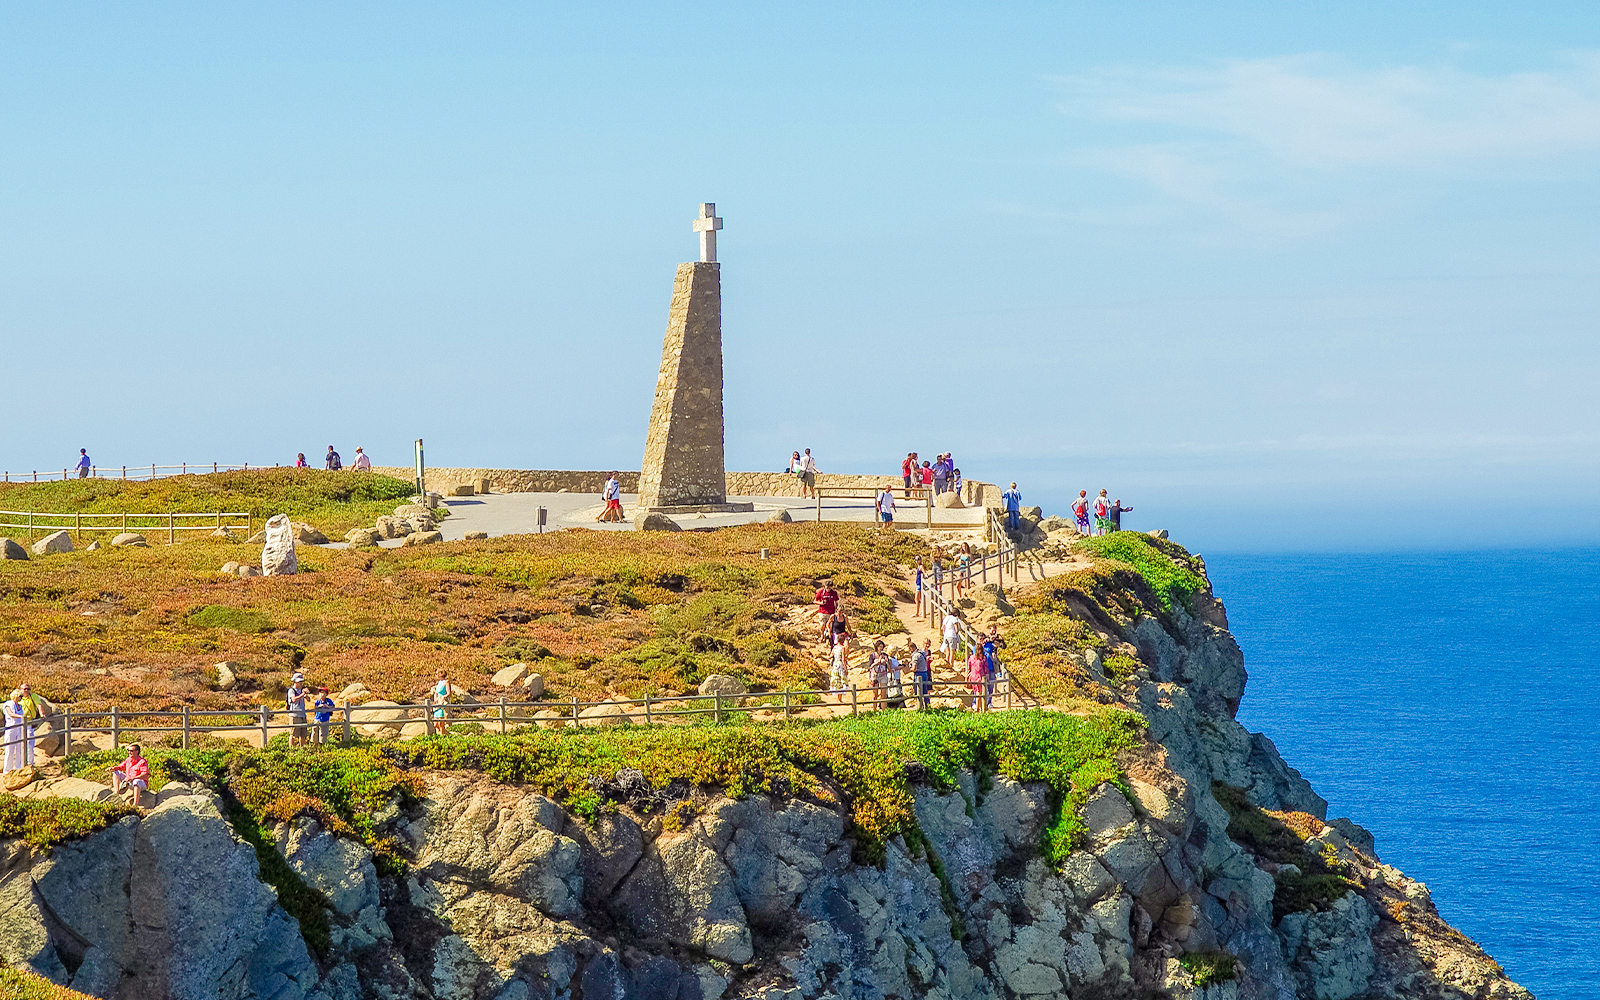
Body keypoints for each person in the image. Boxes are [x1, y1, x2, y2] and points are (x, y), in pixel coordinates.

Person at [1, 689, 30, 773]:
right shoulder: (8, 704)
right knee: (9, 749)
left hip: (19, 728)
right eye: (20, 696)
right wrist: (22, 717)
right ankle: (7, 770)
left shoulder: (20, 706)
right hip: (11, 728)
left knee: (19, 748)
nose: (20, 698)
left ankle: (19, 767)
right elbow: (11, 714)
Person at [981, 627, 1007, 709]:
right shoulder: (985, 640)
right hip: (983, 667)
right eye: (992, 629)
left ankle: (989, 702)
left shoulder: (996, 640)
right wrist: (988, 639)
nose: (993, 631)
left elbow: (1003, 646)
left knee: (991, 685)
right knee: (981, 685)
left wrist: (999, 640)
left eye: (995, 629)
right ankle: (979, 702)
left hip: (992, 665)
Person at [286, 674, 309, 746]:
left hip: (302, 714)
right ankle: (291, 749)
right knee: (293, 734)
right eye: (299, 682)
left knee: (303, 734)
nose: (301, 683)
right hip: (294, 715)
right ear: (295, 682)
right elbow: (293, 699)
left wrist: (306, 695)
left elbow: (308, 700)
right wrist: (302, 695)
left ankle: (302, 749)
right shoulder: (291, 690)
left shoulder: (301, 691)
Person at [966, 646, 989, 712]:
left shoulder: (971, 657)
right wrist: (987, 676)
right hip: (981, 677)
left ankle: (978, 707)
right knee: (980, 693)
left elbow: (969, 667)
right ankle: (980, 708)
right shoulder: (983, 658)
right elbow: (986, 668)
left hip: (973, 677)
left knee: (977, 692)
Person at [912, 640, 934, 709]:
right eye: (926, 644)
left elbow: (914, 667)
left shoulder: (918, 655)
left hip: (925, 671)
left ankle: (925, 705)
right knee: (922, 688)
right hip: (923, 671)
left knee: (925, 688)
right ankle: (923, 705)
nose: (928, 645)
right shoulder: (921, 653)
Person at [868, 643, 889, 708]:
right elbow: (870, 666)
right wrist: (878, 662)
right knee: (875, 694)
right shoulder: (872, 655)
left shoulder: (885, 655)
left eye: (882, 647)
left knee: (884, 693)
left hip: (883, 674)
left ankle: (884, 710)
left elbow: (888, 667)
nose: (881, 648)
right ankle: (874, 709)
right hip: (875, 675)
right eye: (880, 646)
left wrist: (886, 661)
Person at [431, 670, 451, 735]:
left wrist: (443, 697)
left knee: (441, 723)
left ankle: (443, 735)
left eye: (437, 673)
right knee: (436, 724)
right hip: (438, 704)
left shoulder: (446, 682)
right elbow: (436, 692)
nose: (436, 675)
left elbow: (449, 693)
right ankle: (446, 734)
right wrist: (435, 698)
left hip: (442, 703)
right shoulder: (439, 682)